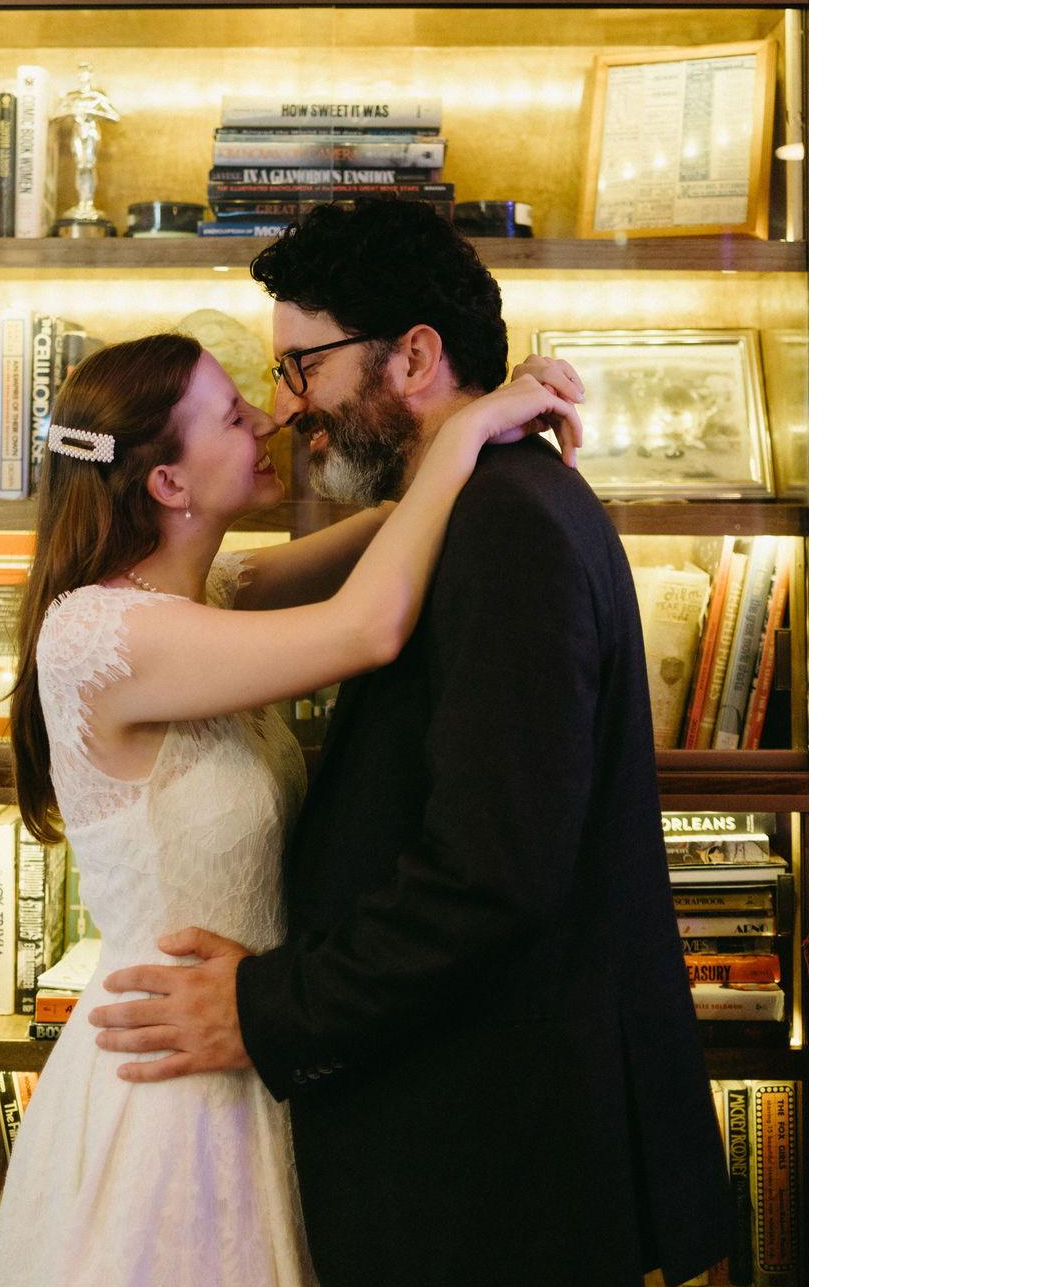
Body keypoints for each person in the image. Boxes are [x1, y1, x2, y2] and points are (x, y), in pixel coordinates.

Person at [89, 200, 734, 1287]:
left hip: (495, 1168)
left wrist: (263, 1007)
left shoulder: (508, 526)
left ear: (413, 357)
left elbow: (488, 869)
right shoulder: (474, 504)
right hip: (470, 1141)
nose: (290, 411)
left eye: (302, 367)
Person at [0, 324, 579, 1287]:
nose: (270, 416)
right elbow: (368, 624)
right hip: (172, 1073)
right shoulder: (100, 635)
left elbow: (395, 527)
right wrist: (472, 433)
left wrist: (469, 421)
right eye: (232, 413)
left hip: (258, 1040)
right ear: (169, 484)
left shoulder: (212, 597)